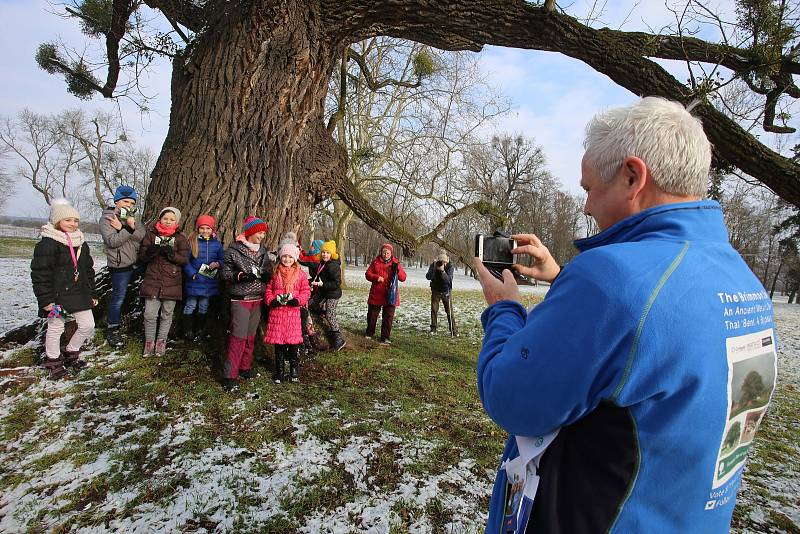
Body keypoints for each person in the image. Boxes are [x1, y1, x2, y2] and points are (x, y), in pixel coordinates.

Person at [475, 97, 778, 533]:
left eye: (589, 188)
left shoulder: (611, 278)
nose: (585, 206)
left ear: (633, 177)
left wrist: (503, 309)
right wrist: (563, 278)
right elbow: (647, 335)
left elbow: (511, 396)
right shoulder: (741, 278)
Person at [31, 199, 97, 379]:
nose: (73, 224)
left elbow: (88, 270)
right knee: (55, 328)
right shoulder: (48, 243)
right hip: (57, 296)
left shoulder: (81, 242)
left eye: (75, 220)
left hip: (79, 293)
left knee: (88, 325)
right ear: (57, 221)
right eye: (67, 220)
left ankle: (71, 352)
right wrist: (46, 300)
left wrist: (93, 293)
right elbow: (40, 274)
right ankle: (53, 361)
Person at [220, 216, 273, 392]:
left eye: (264, 232)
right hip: (240, 299)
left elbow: (268, 271)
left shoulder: (263, 252)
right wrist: (239, 276)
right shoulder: (234, 251)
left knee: (251, 337)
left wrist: (267, 275)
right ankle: (229, 375)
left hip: (257, 299)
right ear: (250, 232)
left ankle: (245, 367)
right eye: (260, 232)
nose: (262, 235)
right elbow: (225, 273)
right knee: (238, 337)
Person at [138, 207, 190, 357]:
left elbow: (185, 259)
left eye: (171, 219)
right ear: (160, 219)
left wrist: (171, 254)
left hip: (172, 282)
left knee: (167, 314)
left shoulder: (180, 238)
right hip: (152, 281)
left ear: (176, 222)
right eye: (165, 218)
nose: (168, 222)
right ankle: (149, 343)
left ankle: (161, 342)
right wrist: (150, 252)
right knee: (150, 314)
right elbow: (142, 256)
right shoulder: (151, 235)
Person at [99, 185, 145, 347]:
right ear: (117, 201)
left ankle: (135, 321)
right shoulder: (107, 218)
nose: (129, 205)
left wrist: (125, 228)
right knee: (118, 297)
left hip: (137, 262)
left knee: (139, 294)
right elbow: (112, 241)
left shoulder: (133, 217)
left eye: (132, 203)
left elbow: (142, 237)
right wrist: (127, 229)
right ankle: (113, 328)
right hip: (119, 264)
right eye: (125, 201)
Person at [264, 243, 311, 383]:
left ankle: (294, 370)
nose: (287, 259)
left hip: (293, 315)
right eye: (284, 256)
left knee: (293, 344)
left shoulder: (300, 274)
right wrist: (271, 300)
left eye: (290, 257)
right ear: (280, 256)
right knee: (278, 345)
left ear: (295, 258)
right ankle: (279, 371)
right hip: (277, 314)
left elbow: (306, 291)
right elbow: (268, 290)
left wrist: (298, 301)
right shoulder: (275, 272)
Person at [181, 214, 224, 341]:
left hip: (208, 282)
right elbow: (186, 261)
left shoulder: (217, 245)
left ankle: (200, 330)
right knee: (190, 305)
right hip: (194, 281)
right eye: (202, 228)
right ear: (198, 229)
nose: (205, 231)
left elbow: (222, 259)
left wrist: (217, 264)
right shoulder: (192, 242)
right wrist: (192, 273)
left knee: (204, 306)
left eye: (208, 228)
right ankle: (187, 330)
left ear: (212, 230)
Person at [364, 243, 407, 344]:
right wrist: (376, 277)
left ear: (391, 253)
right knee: (372, 315)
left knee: (388, 317)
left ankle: (385, 337)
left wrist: (397, 271)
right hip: (377, 293)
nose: (385, 254)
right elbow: (367, 274)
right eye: (384, 252)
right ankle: (369, 333)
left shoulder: (395, 263)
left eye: (388, 253)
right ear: (381, 252)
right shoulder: (375, 262)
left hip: (390, 295)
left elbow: (403, 278)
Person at [308, 240, 346, 351]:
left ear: (332, 254)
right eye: (323, 252)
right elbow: (313, 267)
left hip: (333, 294)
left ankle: (338, 338)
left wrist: (322, 284)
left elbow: (337, 283)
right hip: (323, 292)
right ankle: (322, 312)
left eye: (327, 253)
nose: (325, 254)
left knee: (330, 314)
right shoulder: (322, 264)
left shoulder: (333, 266)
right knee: (311, 305)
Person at [425, 251, 456, 336]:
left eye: (445, 262)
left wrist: (443, 272)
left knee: (449, 312)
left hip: (446, 291)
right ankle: (433, 328)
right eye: (441, 262)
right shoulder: (434, 265)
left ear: (447, 261)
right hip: (436, 290)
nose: (443, 264)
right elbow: (428, 277)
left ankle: (454, 330)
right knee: (434, 310)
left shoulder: (450, 266)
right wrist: (435, 270)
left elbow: (449, 281)